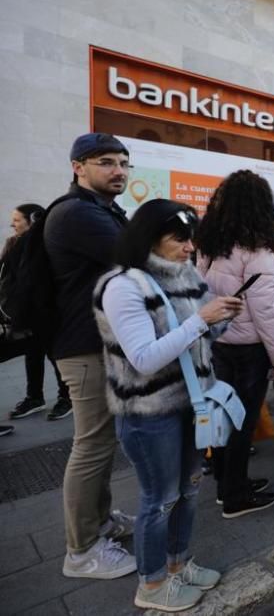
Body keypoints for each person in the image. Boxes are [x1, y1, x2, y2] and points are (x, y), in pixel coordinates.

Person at [94, 200, 241, 611]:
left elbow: (200, 340)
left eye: (191, 237)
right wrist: (201, 319)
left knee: (189, 491)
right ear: (150, 238)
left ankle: (178, 565)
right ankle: (153, 584)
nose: (190, 246)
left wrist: (222, 317)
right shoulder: (123, 285)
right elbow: (144, 358)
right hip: (148, 411)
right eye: (180, 238)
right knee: (159, 500)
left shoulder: (185, 273)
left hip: (192, 403)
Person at [45, 133, 136, 579]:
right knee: (92, 445)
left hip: (98, 343)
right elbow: (138, 258)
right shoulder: (78, 213)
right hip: (83, 347)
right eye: (106, 162)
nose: (118, 169)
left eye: (123, 162)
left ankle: (99, 523)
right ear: (78, 166)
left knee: (101, 443)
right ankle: (80, 552)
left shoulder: (101, 209)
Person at [197, 170, 274, 519]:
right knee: (243, 420)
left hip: (218, 340)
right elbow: (266, 311)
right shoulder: (258, 251)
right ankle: (235, 495)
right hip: (249, 346)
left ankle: (225, 483)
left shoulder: (209, 242)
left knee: (222, 415)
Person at [4, 203, 72, 421]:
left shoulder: (45, 244)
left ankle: (66, 398)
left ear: (32, 219)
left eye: (16, 220)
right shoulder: (16, 244)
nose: (12, 224)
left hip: (47, 314)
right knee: (33, 356)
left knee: (54, 356)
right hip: (26, 315)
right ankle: (35, 398)